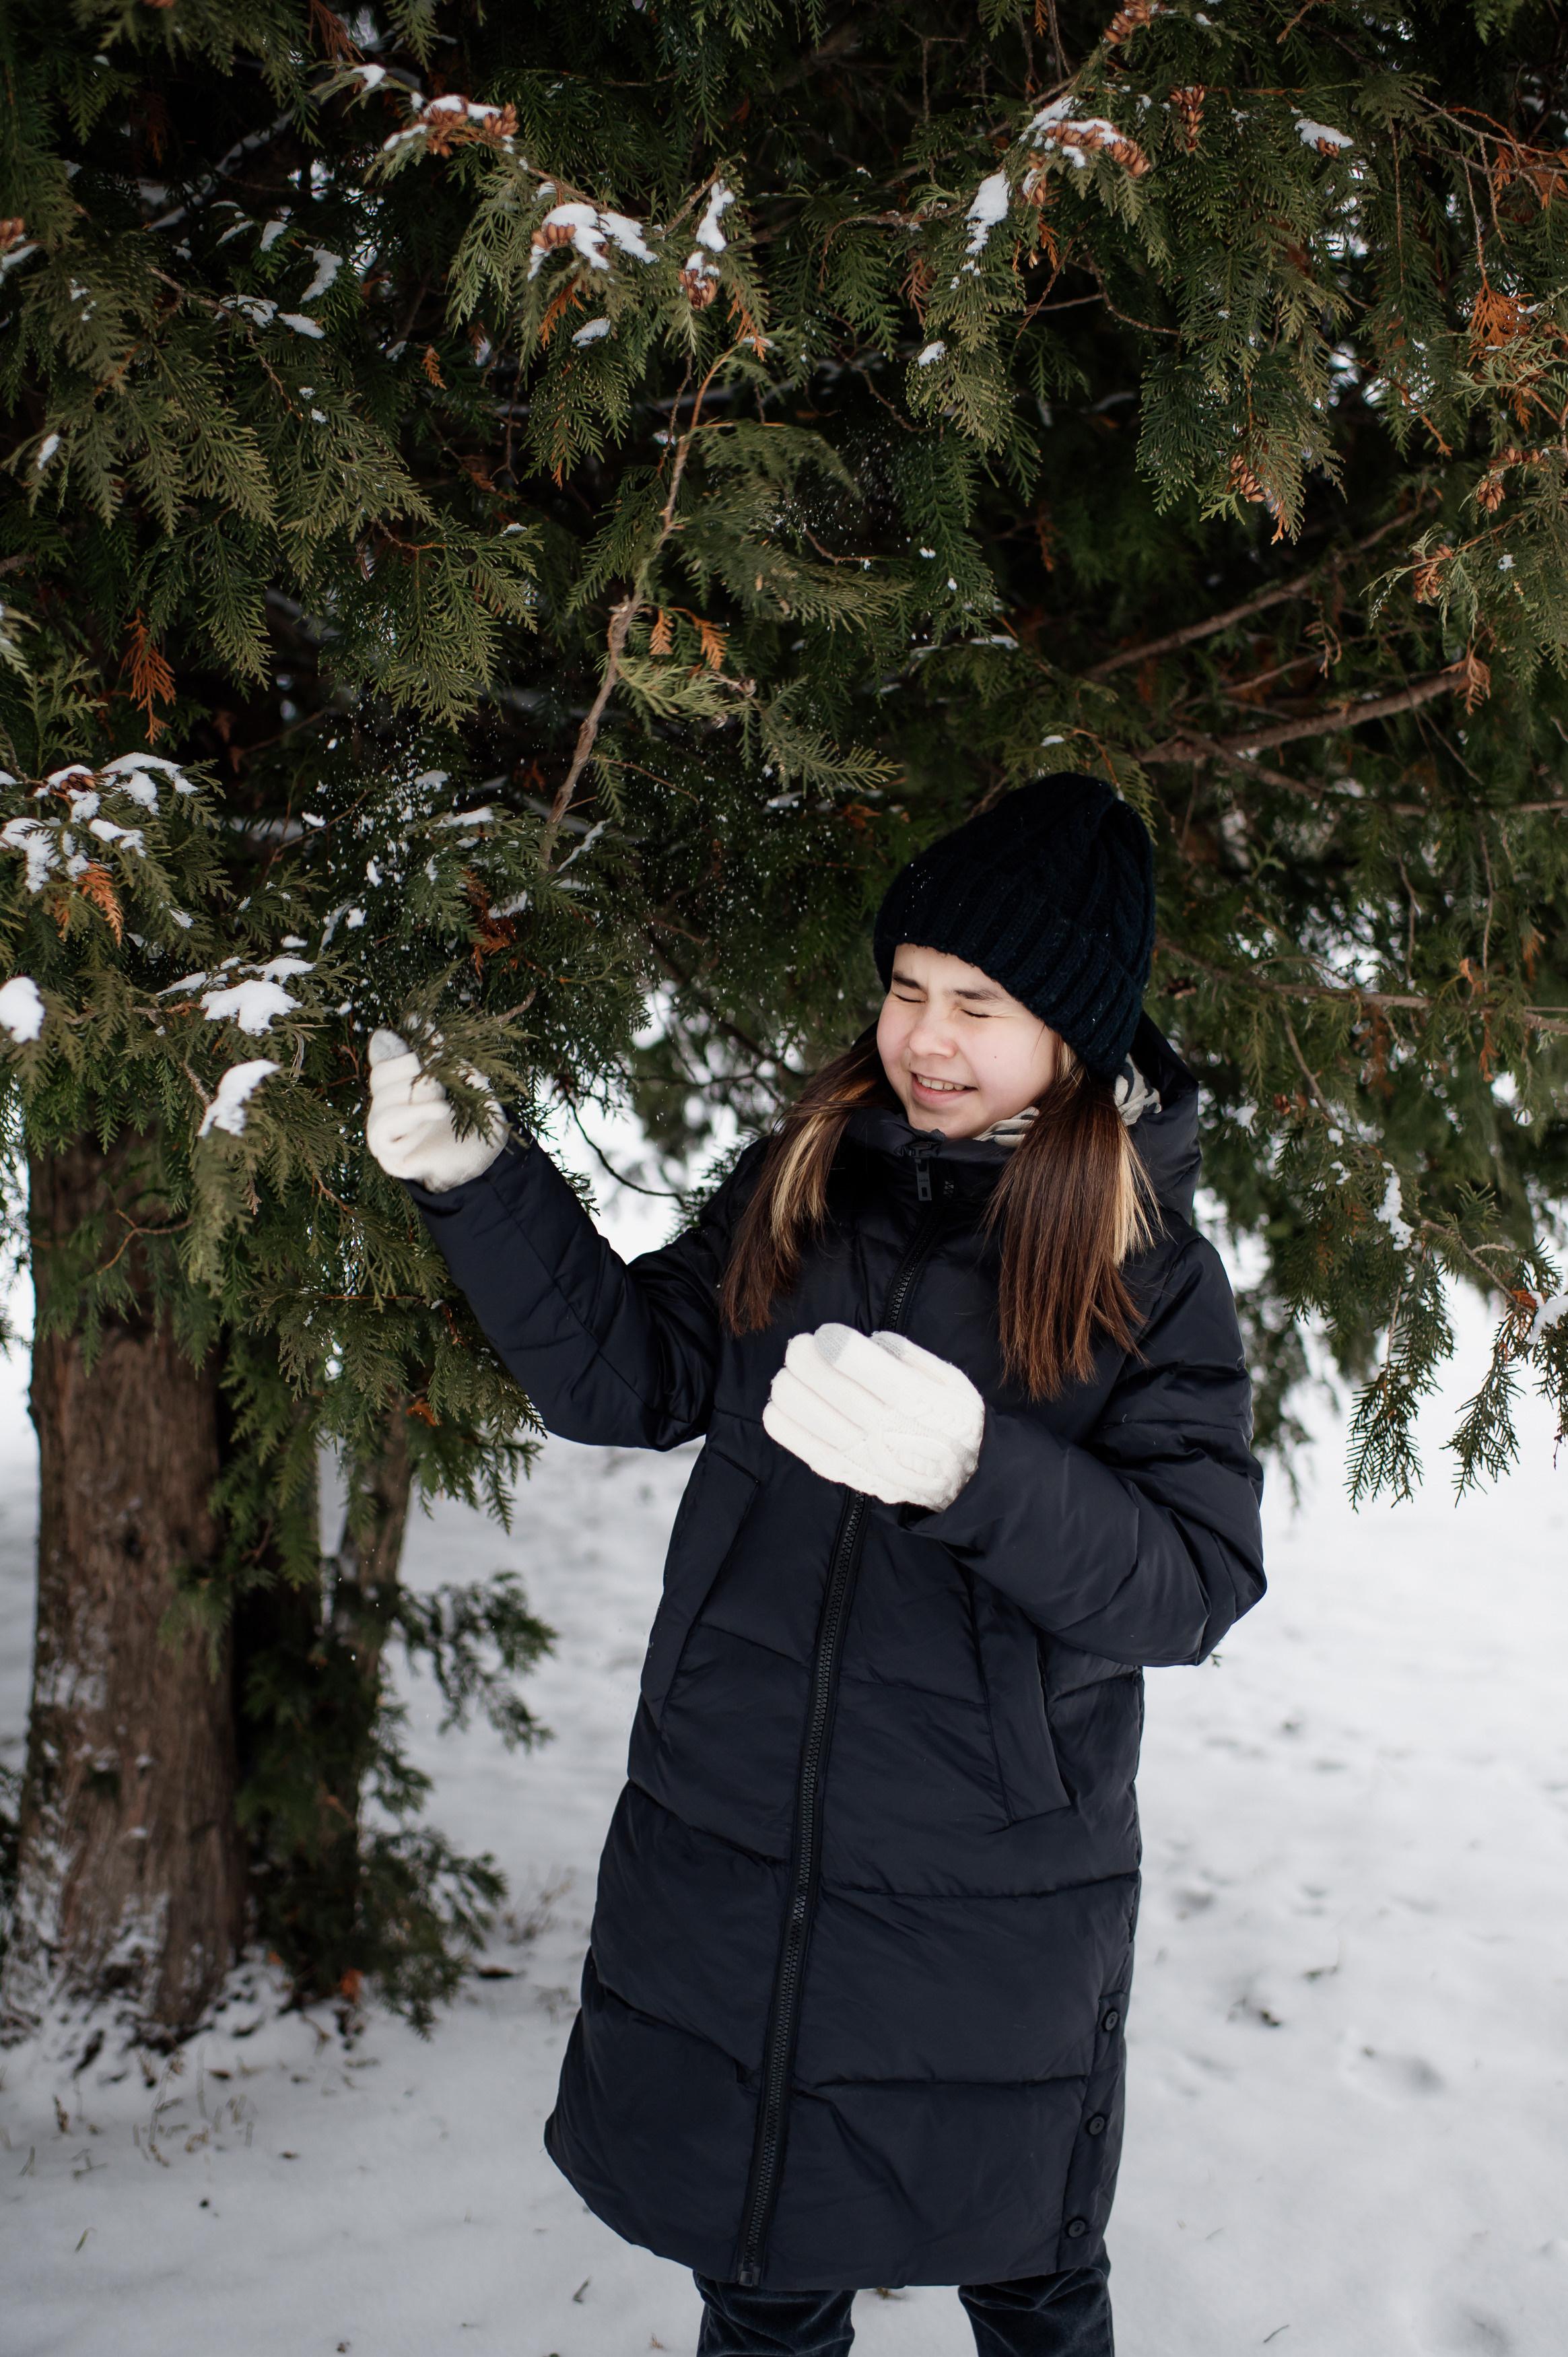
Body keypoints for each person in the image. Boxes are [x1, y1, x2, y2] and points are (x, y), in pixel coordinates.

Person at [365, 773, 1265, 2357]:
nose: (925, 1035)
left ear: (1073, 1034)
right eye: (909, 986)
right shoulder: (812, 1174)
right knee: (761, 2266)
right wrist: (476, 1180)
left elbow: (1190, 1579)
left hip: (984, 1884)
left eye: (976, 1003)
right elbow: (629, 1376)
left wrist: (979, 1477)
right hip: (733, 1830)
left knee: (1028, 2268)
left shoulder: (1147, 1270)